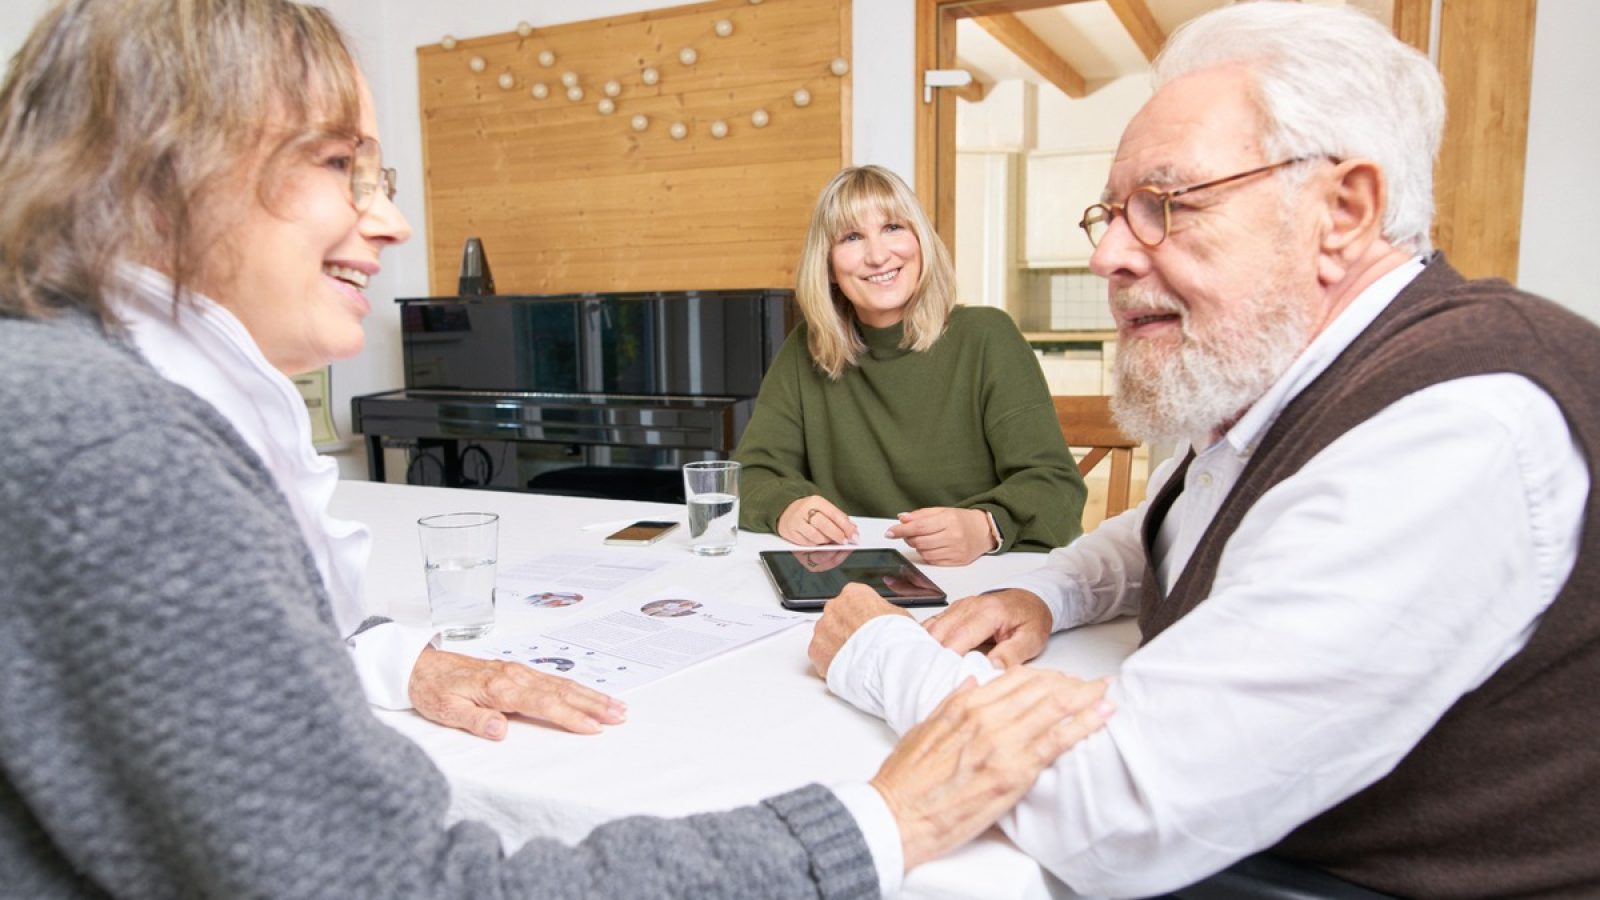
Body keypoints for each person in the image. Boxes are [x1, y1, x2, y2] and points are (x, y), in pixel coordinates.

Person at [0, 1, 1116, 896]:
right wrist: (880, 818)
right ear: (170, 162)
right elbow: (396, 879)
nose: (390, 224)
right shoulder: (105, 432)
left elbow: (1046, 495)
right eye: (343, 165)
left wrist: (396, 658)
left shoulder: (91, 397)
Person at [808, 3, 1600, 898]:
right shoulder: (1292, 388)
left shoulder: (1456, 432)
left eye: (1164, 204)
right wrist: (1042, 591)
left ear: (1342, 210)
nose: (1107, 254)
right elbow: (1179, 519)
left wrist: (879, 650)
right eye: (1110, 212)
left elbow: (1114, 812)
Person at [734, 165, 1086, 566]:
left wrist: (986, 527)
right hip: (849, 580)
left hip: (974, 578)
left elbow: (1057, 488)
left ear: (920, 240)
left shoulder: (988, 336)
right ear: (828, 266)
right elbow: (750, 474)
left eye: (893, 228)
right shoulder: (805, 349)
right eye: (851, 237)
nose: (878, 255)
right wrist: (788, 508)